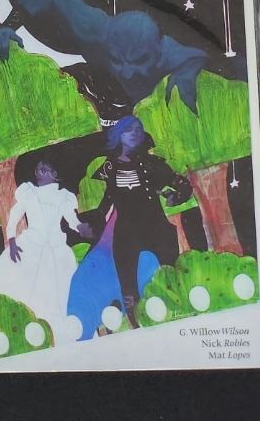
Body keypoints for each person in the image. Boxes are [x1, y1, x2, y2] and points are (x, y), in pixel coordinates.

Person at [69, 116, 191, 333]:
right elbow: (105, 205)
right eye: (128, 130)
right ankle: (136, 327)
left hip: (156, 227)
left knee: (170, 275)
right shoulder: (109, 168)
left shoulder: (152, 164)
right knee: (128, 285)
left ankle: (178, 319)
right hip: (126, 233)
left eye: (138, 128)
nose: (135, 132)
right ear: (118, 136)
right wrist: (89, 227)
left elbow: (182, 184)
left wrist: (176, 196)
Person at [0, 159, 89, 341]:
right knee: (21, 281)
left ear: (55, 175)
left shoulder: (63, 197)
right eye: (37, 170)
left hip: (56, 248)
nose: (39, 173)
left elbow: (71, 219)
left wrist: (80, 227)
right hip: (31, 245)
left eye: (44, 170)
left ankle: (61, 331)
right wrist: (12, 241)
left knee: (59, 288)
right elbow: (14, 218)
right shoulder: (30, 193)